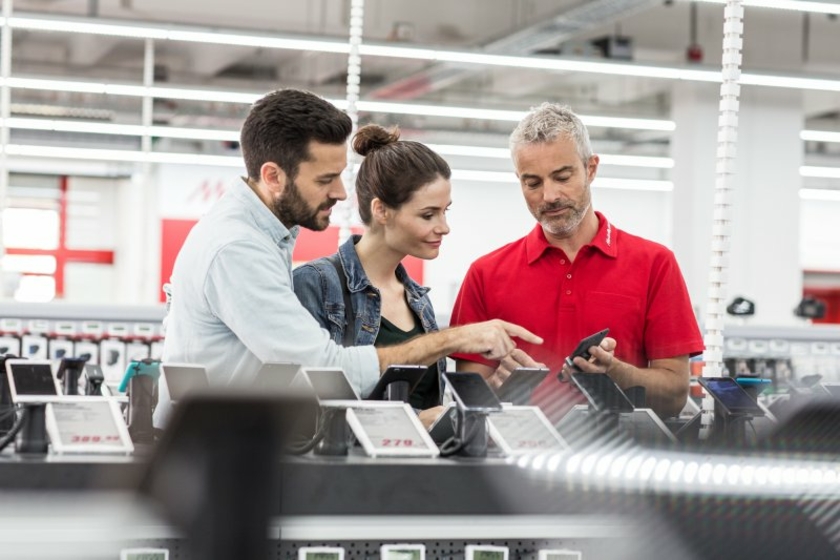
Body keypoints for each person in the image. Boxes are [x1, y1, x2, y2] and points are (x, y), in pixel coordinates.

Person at [158, 88, 541, 424]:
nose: (342, 193)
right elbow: (325, 373)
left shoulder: (267, 236)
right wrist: (452, 341)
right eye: (325, 180)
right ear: (273, 176)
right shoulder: (238, 249)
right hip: (212, 446)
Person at [449, 102, 704, 423]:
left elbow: (674, 397)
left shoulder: (655, 264)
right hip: (512, 464)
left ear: (591, 169)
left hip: (617, 463)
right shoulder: (484, 274)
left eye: (562, 176)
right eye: (533, 183)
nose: (549, 195)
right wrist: (499, 386)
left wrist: (615, 372)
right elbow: (468, 402)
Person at [293, 124, 450, 426]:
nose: (443, 227)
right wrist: (416, 421)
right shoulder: (315, 284)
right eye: (428, 215)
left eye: (446, 212)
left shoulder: (419, 301)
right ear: (381, 210)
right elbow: (308, 409)